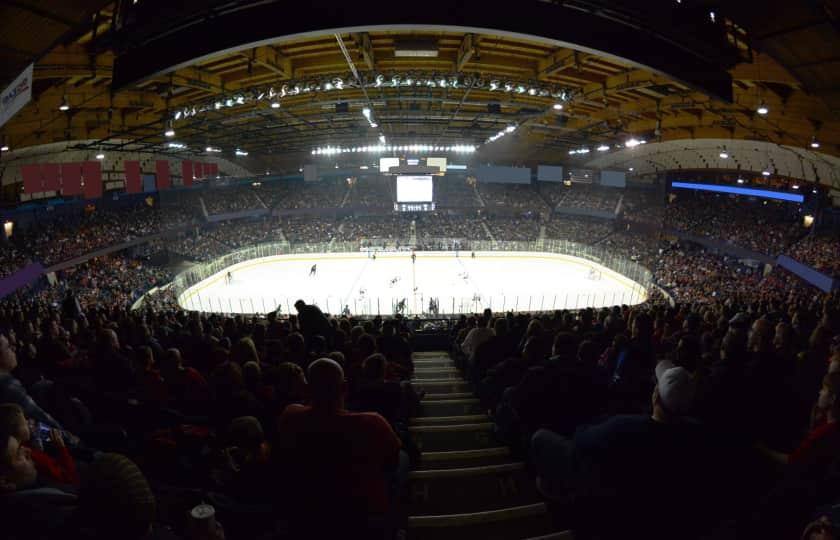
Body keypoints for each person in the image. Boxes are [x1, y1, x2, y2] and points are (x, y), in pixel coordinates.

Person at [272, 358, 404, 538]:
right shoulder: (373, 422)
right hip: (362, 518)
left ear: (308, 389)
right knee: (403, 460)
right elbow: (392, 461)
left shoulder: (290, 417)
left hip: (307, 514)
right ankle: (394, 526)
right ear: (344, 387)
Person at [0, 333, 62, 428]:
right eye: (8, 346)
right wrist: (70, 438)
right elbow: (40, 416)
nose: (13, 349)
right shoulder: (8, 385)